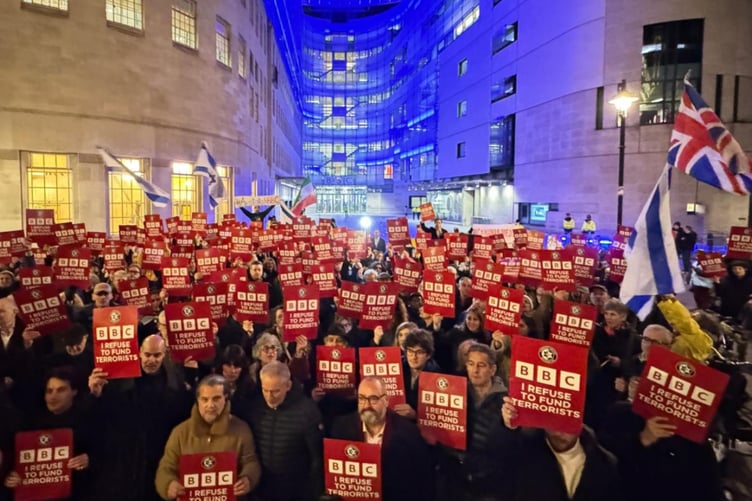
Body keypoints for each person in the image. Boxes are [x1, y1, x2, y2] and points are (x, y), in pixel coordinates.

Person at [87, 335, 192, 501]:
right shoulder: (120, 379)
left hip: (161, 450)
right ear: (139, 353)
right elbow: (105, 415)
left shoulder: (175, 380)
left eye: (157, 355)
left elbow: (181, 413)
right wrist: (96, 394)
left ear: (164, 355)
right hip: (128, 453)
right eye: (148, 354)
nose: (152, 360)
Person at [155, 375, 261, 500]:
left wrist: (247, 478)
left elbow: (250, 461)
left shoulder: (241, 429)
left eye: (216, 399)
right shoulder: (180, 432)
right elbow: (166, 467)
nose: (210, 405)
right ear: (198, 401)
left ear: (226, 399)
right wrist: (168, 484)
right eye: (204, 399)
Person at [330, 377, 434, 500]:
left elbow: (423, 480)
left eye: (373, 399)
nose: (367, 405)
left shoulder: (408, 433)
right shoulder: (341, 428)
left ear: (386, 400)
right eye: (362, 398)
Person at [501, 398, 623, 501]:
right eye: (554, 422)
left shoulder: (606, 463)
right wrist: (509, 425)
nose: (559, 431)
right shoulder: (524, 452)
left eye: (567, 421)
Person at [436, 344, 516, 501]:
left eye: (481, 365)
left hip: (490, 485)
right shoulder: (455, 393)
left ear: (492, 370)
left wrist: (510, 426)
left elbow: (512, 447)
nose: (475, 370)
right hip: (456, 481)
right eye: (471, 364)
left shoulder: (507, 401)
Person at [4, 368, 96, 500]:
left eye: (61, 390)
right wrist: (11, 477)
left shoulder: (88, 420)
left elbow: (108, 454)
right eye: (49, 391)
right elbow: (17, 463)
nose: (53, 396)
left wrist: (90, 460)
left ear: (74, 392)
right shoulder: (29, 426)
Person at [247, 361, 323, 500]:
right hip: (262, 490)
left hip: (295, 491)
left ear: (288, 385)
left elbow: (316, 459)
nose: (269, 396)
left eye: (276, 391)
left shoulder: (307, 411)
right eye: (265, 390)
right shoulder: (255, 407)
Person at [396, 329, 441, 419]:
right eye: (410, 351)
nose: (414, 357)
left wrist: (416, 415)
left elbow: (436, 415)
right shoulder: (397, 366)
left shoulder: (436, 375)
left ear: (428, 355)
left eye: (419, 352)